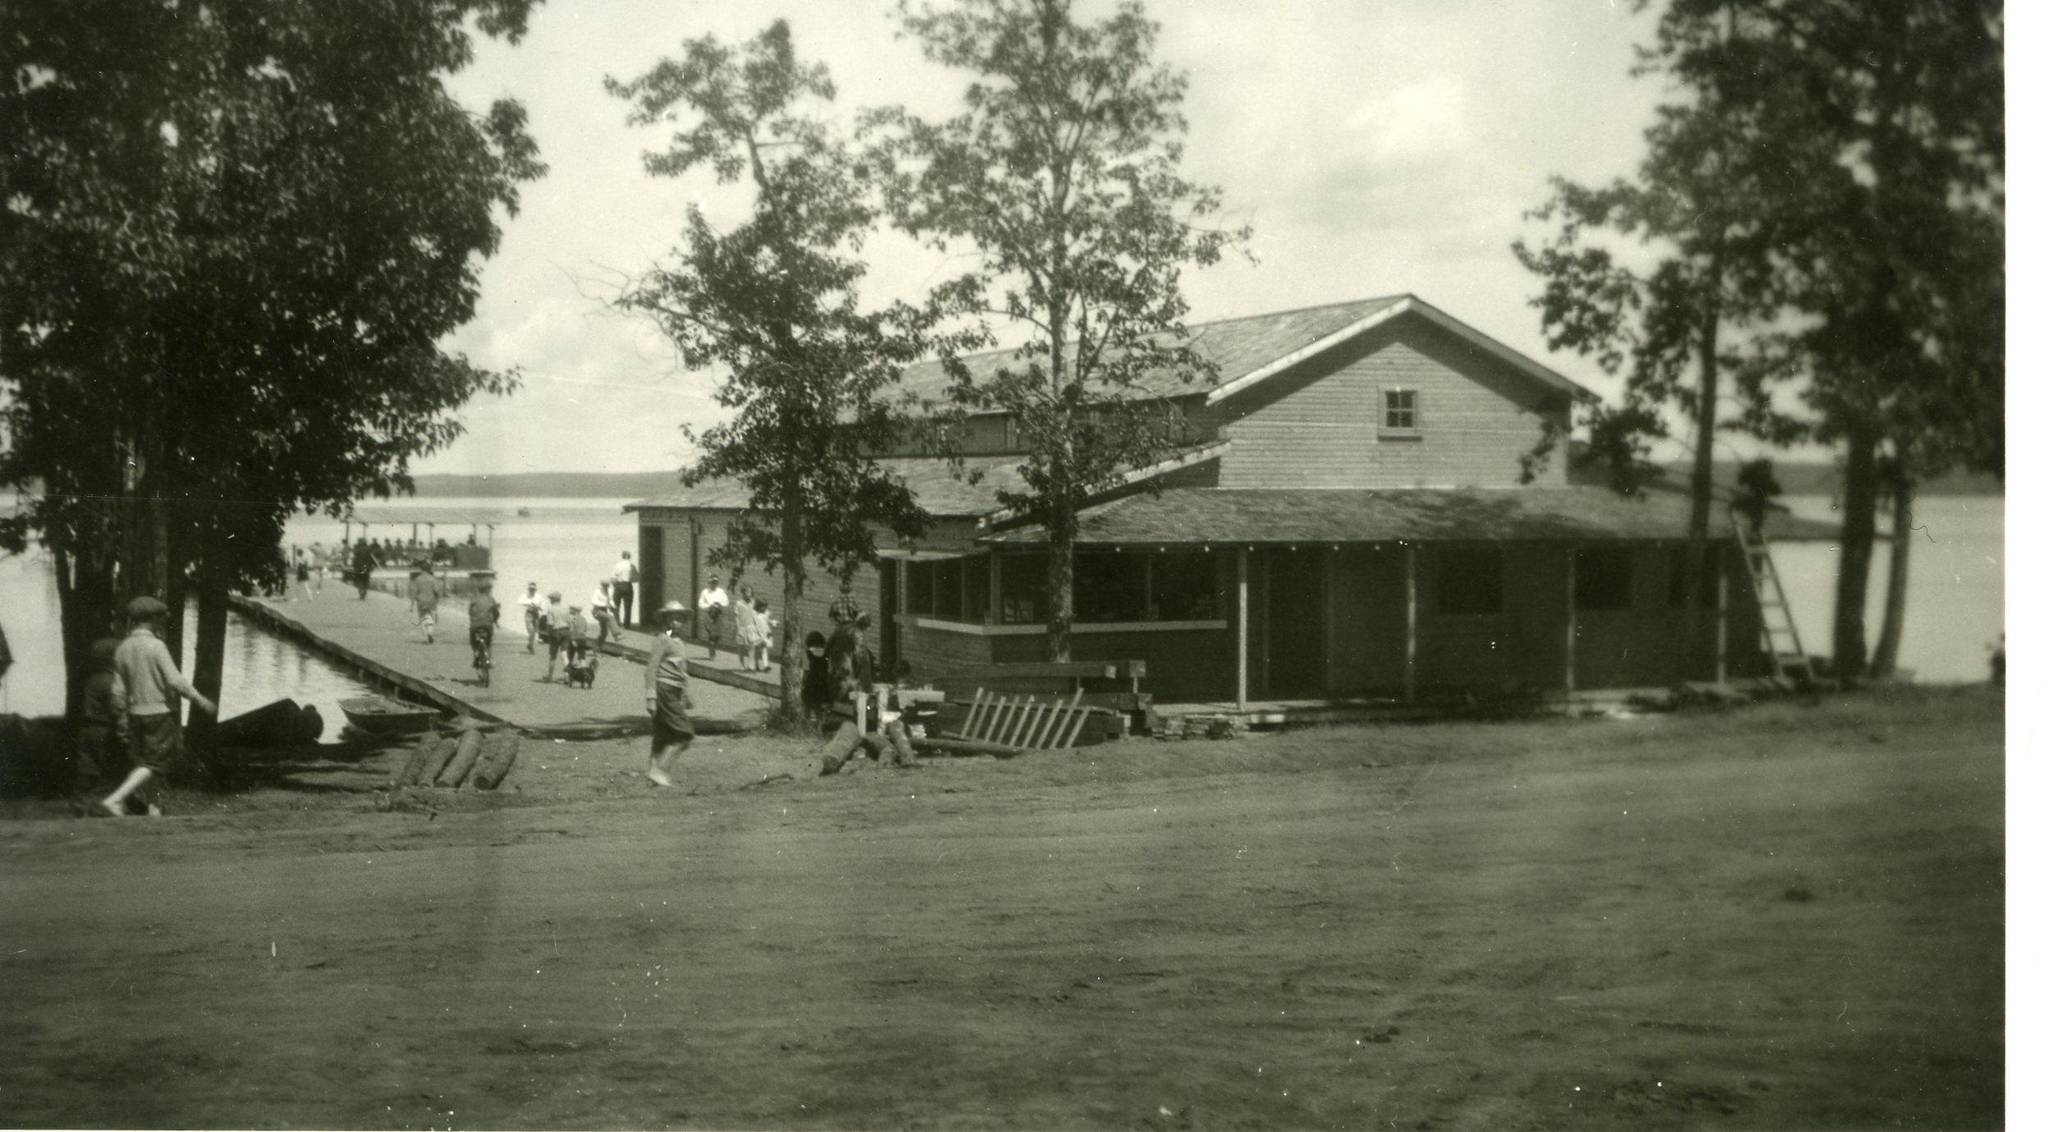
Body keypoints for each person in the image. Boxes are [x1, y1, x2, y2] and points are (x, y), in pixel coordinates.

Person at [101, 596, 217, 818]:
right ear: (151, 620)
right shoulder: (156, 646)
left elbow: (117, 691)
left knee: (146, 763)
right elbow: (174, 680)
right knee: (155, 763)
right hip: (159, 713)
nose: (160, 623)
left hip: (135, 714)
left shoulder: (123, 648)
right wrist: (199, 699)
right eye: (158, 619)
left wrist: (122, 716)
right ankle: (116, 799)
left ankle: (153, 809)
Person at [643, 600, 694, 787]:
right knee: (684, 734)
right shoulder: (662, 639)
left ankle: (652, 774)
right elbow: (650, 670)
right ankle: (660, 770)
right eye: (671, 618)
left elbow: (682, 671)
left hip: (674, 691)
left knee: (662, 734)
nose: (675, 622)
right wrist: (651, 697)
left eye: (679, 618)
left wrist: (685, 695)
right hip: (663, 689)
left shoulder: (679, 642)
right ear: (665, 620)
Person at [74, 638, 127, 801]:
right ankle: (104, 800)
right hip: (102, 728)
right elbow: (115, 707)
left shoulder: (91, 679)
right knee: (107, 766)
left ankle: (81, 800)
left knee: (87, 765)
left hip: (85, 728)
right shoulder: (110, 681)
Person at [467, 576, 501, 675]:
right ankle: (489, 660)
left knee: (473, 642)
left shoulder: (474, 599)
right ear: (488, 590)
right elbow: (496, 613)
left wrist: (473, 620)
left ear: (479, 590)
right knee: (489, 643)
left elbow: (470, 612)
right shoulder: (491, 599)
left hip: (475, 625)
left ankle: (476, 655)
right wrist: (495, 621)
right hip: (487, 625)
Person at [800, 630, 833, 715]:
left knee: (808, 704)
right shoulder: (826, 654)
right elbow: (829, 670)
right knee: (820, 706)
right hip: (823, 683)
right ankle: (820, 721)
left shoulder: (808, 654)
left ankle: (808, 718)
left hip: (811, 682)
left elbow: (806, 671)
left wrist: (803, 683)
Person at [539, 590, 569, 682]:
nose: (550, 600)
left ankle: (549, 676)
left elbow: (550, 624)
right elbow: (571, 621)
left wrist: (547, 634)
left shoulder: (551, 609)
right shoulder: (566, 609)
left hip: (555, 632)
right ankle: (567, 676)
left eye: (550, 599)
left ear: (553, 600)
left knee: (553, 656)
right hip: (566, 631)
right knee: (564, 655)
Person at [407, 561, 440, 644]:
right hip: (432, 602)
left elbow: (414, 593)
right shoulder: (432, 578)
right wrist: (438, 598)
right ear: (429, 569)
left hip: (421, 602)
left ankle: (426, 637)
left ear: (421, 569)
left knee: (423, 619)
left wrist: (411, 605)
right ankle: (430, 634)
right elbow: (436, 590)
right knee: (431, 619)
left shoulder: (417, 579)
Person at [697, 577, 729, 660]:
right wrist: (709, 606)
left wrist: (720, 604)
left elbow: (726, 602)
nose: (714, 584)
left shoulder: (721, 592)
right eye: (712, 583)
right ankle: (712, 654)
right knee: (711, 635)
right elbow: (700, 604)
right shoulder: (705, 592)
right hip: (709, 615)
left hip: (718, 614)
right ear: (709, 583)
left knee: (717, 635)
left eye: (715, 583)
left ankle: (713, 648)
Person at [589, 580, 622, 647]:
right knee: (610, 617)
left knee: (604, 632)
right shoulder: (597, 591)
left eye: (607, 585)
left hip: (604, 611)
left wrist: (613, 606)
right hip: (597, 611)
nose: (606, 587)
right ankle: (616, 635)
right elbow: (593, 601)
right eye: (605, 585)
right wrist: (605, 605)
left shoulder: (610, 591)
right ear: (602, 585)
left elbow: (610, 600)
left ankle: (597, 647)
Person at [610, 551, 639, 627]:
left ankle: (617, 622)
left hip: (618, 585)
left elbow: (613, 578)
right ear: (629, 557)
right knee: (628, 606)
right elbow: (636, 579)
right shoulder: (632, 566)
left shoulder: (617, 565)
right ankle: (627, 624)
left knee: (616, 605)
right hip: (627, 585)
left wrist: (615, 586)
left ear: (622, 556)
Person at [518, 581, 545, 654]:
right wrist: (528, 603)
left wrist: (538, 607)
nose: (532, 590)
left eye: (533, 589)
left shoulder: (539, 597)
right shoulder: (525, 595)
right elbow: (519, 601)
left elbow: (543, 607)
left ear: (535, 590)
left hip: (536, 614)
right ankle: (531, 646)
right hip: (529, 614)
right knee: (531, 631)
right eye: (530, 589)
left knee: (535, 631)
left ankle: (530, 645)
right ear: (528, 589)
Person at [748, 597, 773, 672]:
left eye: (765, 606)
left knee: (764, 649)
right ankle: (755, 665)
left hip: (764, 634)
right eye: (763, 606)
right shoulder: (754, 614)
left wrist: (772, 623)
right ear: (758, 606)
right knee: (755, 650)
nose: (764, 608)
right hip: (756, 634)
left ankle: (766, 665)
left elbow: (768, 622)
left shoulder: (766, 613)